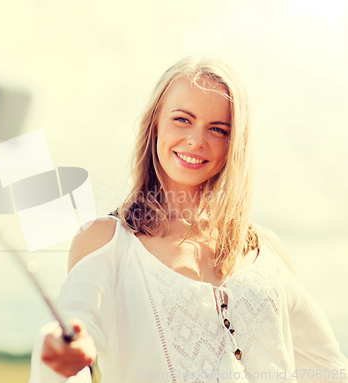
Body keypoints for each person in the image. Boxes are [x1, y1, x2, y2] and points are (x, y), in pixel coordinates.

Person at [28, 56, 348, 382]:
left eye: (218, 129)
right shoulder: (106, 241)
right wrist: (63, 350)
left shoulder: (266, 248)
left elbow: (328, 367)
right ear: (155, 124)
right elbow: (75, 324)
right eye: (183, 119)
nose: (197, 140)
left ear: (233, 144)